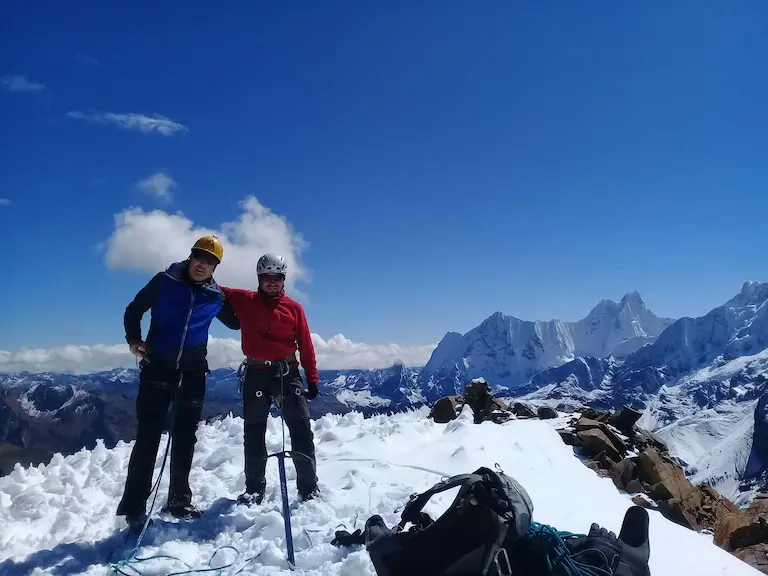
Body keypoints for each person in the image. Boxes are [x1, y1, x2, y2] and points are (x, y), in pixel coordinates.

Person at [116, 235, 240, 530]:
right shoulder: (164, 281)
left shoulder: (215, 296)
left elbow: (236, 322)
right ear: (191, 256)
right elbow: (134, 309)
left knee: (185, 438)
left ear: (215, 268)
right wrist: (134, 338)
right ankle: (134, 507)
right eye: (200, 257)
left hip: (194, 372)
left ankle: (179, 499)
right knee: (148, 438)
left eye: (210, 262)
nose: (203, 264)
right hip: (158, 368)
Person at [220, 253, 320, 505]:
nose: (272, 282)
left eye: (277, 277)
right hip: (256, 373)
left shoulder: (294, 308)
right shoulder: (245, 300)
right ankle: (254, 489)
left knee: (301, 430)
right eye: (267, 277)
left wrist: (312, 378)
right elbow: (213, 288)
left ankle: (308, 489)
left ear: (283, 279)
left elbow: (306, 345)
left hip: (288, 373)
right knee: (253, 433)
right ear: (259, 279)